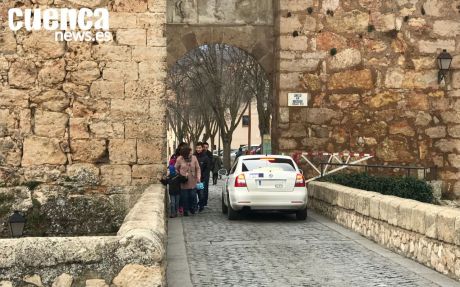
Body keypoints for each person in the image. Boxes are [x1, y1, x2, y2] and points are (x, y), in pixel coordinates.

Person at [175, 145, 201, 216]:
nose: (191, 153)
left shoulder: (194, 158)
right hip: (184, 181)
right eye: (190, 152)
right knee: (185, 197)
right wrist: (181, 175)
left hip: (193, 180)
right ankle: (185, 210)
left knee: (193, 196)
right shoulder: (180, 159)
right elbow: (176, 168)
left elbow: (198, 168)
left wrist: (198, 177)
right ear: (185, 153)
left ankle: (192, 208)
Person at [169, 142, 187, 215]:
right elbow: (171, 165)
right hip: (176, 176)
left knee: (183, 194)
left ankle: (182, 206)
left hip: (184, 176)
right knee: (178, 193)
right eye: (182, 148)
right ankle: (178, 208)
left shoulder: (188, 156)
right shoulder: (174, 156)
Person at [194, 142, 211, 212]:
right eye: (197, 148)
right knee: (193, 194)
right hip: (194, 179)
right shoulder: (193, 156)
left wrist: (202, 178)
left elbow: (207, 169)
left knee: (201, 194)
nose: (198, 149)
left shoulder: (206, 157)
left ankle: (201, 205)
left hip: (202, 179)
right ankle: (194, 206)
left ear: (202, 148)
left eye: (200, 148)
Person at [202, 142, 213, 207]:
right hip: (200, 172)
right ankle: (200, 201)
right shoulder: (200, 153)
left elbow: (211, 163)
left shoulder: (209, 154)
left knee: (205, 187)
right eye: (204, 147)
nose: (205, 148)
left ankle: (205, 201)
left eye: (207, 147)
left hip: (206, 173)